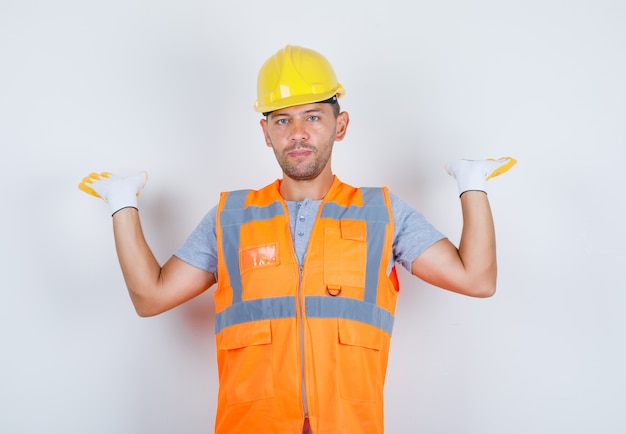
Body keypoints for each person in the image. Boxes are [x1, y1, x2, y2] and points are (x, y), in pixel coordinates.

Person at [78, 45, 516, 434]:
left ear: (339, 125)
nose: (298, 133)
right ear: (265, 132)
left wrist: (471, 184)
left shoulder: (383, 213)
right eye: (282, 120)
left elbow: (477, 279)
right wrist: (122, 205)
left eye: (313, 116)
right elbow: (150, 298)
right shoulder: (230, 218)